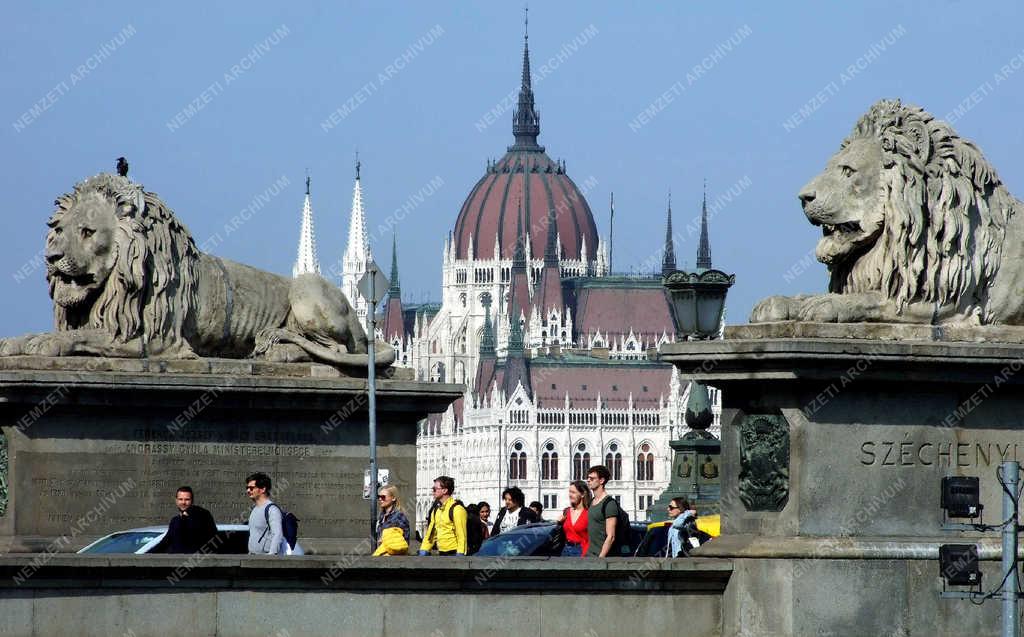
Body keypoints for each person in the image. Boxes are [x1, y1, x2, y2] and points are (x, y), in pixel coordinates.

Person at [152, 486, 218, 554]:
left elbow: (213, 539)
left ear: (192, 501)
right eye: (180, 499)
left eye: (187, 499)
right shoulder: (175, 521)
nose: (183, 502)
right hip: (176, 561)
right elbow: (165, 542)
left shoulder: (203, 516)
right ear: (176, 501)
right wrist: (146, 555)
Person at [418, 475, 468, 556]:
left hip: (454, 553)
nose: (432, 492)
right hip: (441, 553)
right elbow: (431, 534)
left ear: (444, 490)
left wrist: (460, 555)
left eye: (435, 489)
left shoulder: (457, 509)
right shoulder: (436, 510)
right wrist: (424, 550)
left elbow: (462, 535)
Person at [585, 465, 620, 557]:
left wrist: (600, 559)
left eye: (592, 478)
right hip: (589, 555)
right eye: (588, 478)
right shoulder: (591, 502)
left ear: (601, 481)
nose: (588, 480)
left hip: (600, 558)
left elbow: (611, 536)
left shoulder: (609, 504)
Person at [246, 472, 284, 555]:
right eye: (247, 487)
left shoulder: (272, 510)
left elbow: (277, 535)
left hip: (264, 560)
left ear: (263, 489)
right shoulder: (254, 509)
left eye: (251, 488)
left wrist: (270, 557)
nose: (248, 490)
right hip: (252, 558)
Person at [373, 485, 410, 556]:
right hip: (383, 554)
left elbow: (395, 543)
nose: (380, 499)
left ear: (393, 498)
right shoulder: (382, 516)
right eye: (379, 497)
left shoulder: (399, 516)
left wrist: (376, 555)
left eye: (383, 497)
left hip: (394, 557)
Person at [557, 480, 590, 557]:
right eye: (569, 492)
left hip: (581, 551)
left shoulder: (589, 513)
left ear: (582, 494)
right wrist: (559, 523)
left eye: (573, 492)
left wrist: (585, 555)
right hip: (565, 550)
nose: (570, 495)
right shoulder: (566, 511)